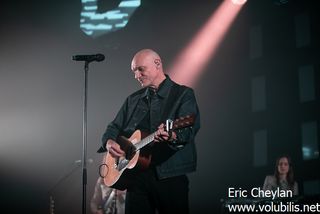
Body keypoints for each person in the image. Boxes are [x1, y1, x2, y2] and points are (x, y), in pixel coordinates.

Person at [97, 49, 200, 214]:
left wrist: (172, 135)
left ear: (157, 64)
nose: (137, 75)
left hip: (169, 176)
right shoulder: (132, 100)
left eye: (140, 69)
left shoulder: (183, 94)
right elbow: (113, 127)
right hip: (135, 177)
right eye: (134, 71)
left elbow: (188, 130)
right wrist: (109, 142)